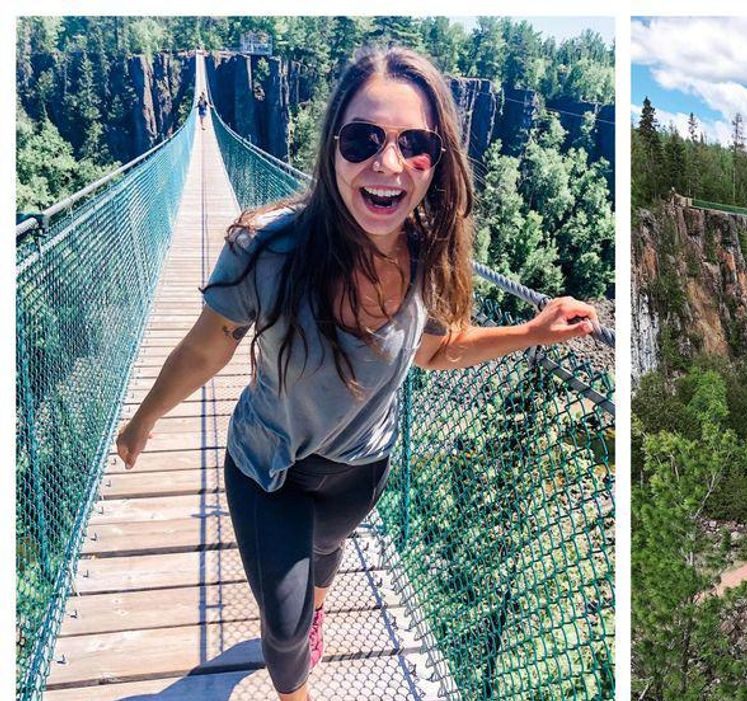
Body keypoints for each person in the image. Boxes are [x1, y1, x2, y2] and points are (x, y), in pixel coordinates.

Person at [114, 46, 599, 701]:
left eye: (415, 144)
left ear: (439, 160)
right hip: (268, 469)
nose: (388, 163)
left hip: (360, 472)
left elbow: (434, 350)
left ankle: (317, 604)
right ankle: (295, 689)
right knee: (283, 632)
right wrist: (144, 418)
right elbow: (207, 349)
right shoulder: (267, 249)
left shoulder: (428, 252)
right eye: (363, 138)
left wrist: (531, 331)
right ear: (331, 147)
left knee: (324, 557)